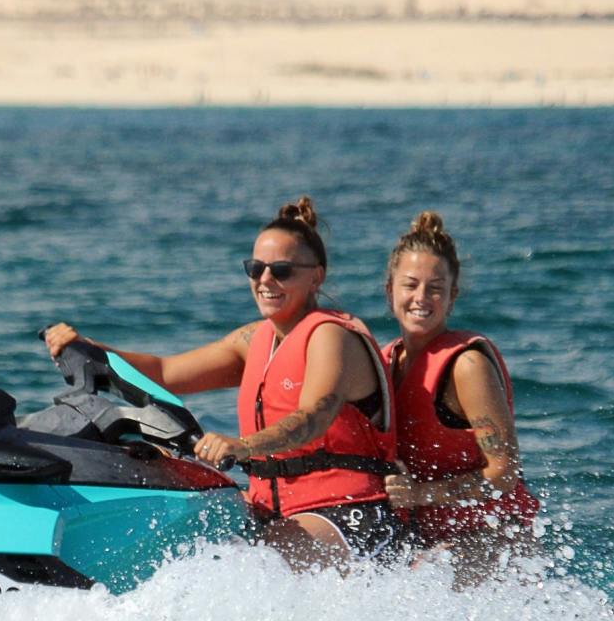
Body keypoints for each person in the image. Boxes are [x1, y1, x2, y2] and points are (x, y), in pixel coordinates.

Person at [43, 195, 398, 569]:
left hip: (351, 514)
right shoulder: (252, 341)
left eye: (282, 270)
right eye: (255, 268)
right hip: (273, 510)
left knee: (254, 565)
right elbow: (164, 372)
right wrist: (88, 347)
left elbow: (312, 419)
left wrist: (243, 446)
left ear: (317, 277)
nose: (265, 280)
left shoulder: (332, 337)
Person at [381, 211, 540, 583]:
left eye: (435, 288)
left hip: (498, 536)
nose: (421, 298)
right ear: (390, 292)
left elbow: (503, 473)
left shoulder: (467, 366)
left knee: (424, 581)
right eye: (410, 285)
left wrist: (419, 494)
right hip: (426, 539)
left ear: (452, 298)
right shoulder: (385, 362)